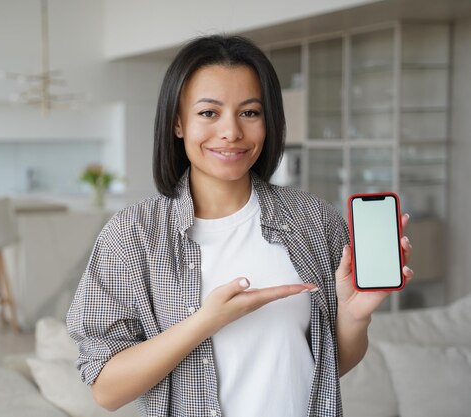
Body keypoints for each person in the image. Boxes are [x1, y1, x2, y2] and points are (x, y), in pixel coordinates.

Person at [67, 34, 414, 417]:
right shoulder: (133, 234)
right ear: (178, 123)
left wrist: (354, 316)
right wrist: (206, 322)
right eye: (209, 113)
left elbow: (328, 369)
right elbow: (105, 389)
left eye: (249, 112)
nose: (231, 132)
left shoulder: (315, 220)